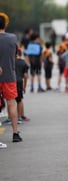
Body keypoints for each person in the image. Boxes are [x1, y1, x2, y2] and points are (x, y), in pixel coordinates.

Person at [0, 12, 23, 142]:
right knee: (11, 103)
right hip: (9, 76)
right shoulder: (12, 38)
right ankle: (15, 133)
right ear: (6, 24)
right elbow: (15, 54)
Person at [15, 48, 30, 123]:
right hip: (19, 82)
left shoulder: (10, 62)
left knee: (10, 100)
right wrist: (24, 86)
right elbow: (25, 75)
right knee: (19, 100)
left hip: (11, 82)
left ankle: (10, 118)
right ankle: (21, 116)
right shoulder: (24, 63)